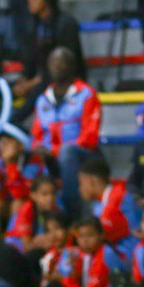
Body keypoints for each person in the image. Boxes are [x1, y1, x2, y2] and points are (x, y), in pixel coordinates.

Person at [30, 47, 101, 216]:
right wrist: (38, 147)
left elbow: (90, 137)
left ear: (72, 66)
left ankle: (73, 210)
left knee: (67, 153)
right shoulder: (43, 98)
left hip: (81, 154)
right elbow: (37, 134)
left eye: (61, 63)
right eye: (53, 63)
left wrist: (55, 151)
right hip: (50, 156)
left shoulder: (86, 94)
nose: (56, 67)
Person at [6, 0, 86, 124]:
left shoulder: (66, 23)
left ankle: (11, 123)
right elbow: (30, 60)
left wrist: (32, 83)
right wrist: (24, 79)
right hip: (36, 79)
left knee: (42, 87)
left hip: (62, 80)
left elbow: (65, 66)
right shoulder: (33, 25)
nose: (29, 1)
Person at [78, 157, 140, 264]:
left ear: (92, 181)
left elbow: (100, 234)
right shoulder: (99, 203)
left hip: (128, 255)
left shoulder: (117, 197)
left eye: (81, 183)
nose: (80, 188)